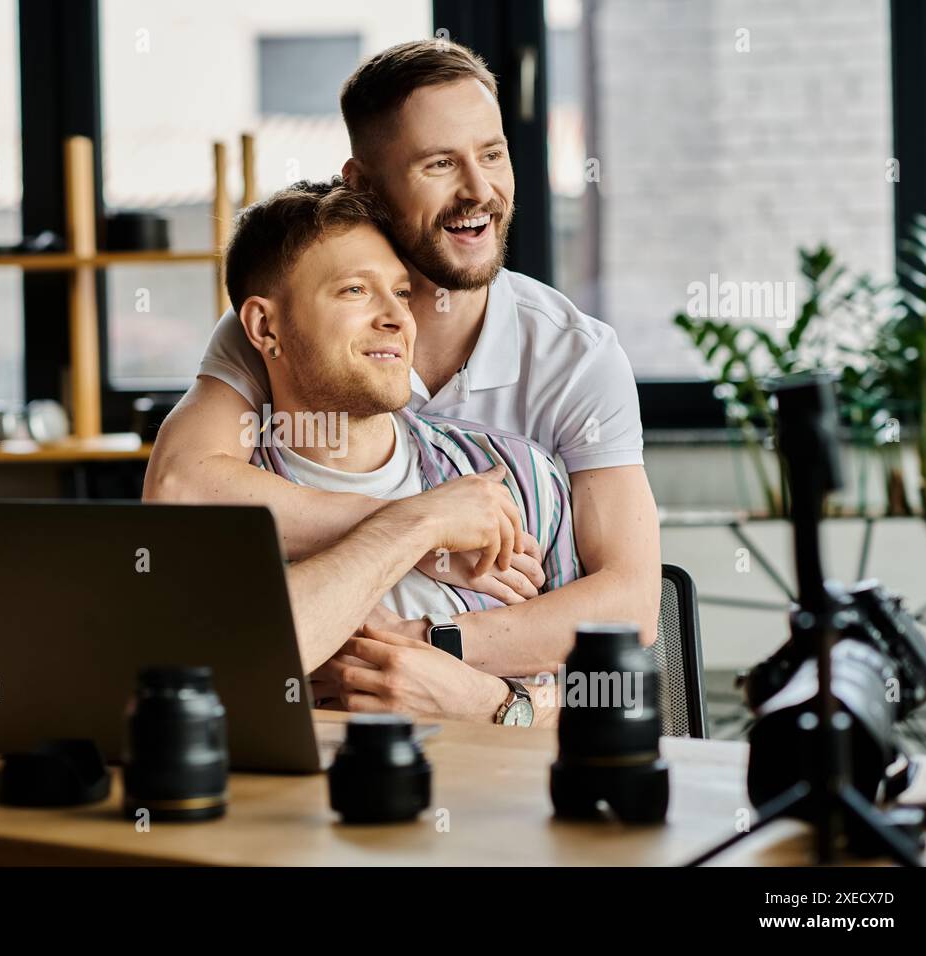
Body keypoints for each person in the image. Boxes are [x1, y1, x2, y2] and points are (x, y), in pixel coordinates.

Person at [145, 38, 660, 680]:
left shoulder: (575, 358)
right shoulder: (293, 327)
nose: (479, 190)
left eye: (493, 155)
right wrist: (423, 529)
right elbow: (181, 491)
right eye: (440, 163)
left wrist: (430, 651)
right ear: (362, 184)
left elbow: (629, 602)